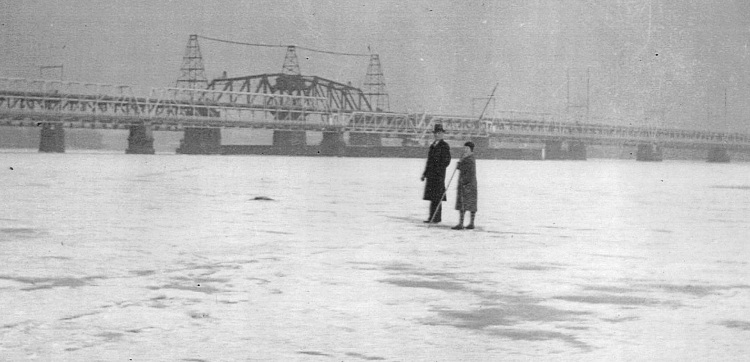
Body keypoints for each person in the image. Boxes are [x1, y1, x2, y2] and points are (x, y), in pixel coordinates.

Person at [421, 124, 451, 223]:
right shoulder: (432, 145)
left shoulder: (445, 146)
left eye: (439, 133)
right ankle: (432, 217)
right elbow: (429, 161)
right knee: (432, 197)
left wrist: (439, 169)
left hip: (438, 176)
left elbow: (447, 160)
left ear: (442, 134)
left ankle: (436, 218)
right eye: (436, 133)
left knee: (437, 197)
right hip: (431, 175)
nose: (437, 135)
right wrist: (424, 174)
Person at [452, 141, 478, 230]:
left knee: (463, 204)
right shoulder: (468, 158)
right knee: (471, 204)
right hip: (470, 184)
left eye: (467, 148)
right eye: (464, 148)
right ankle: (471, 223)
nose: (465, 150)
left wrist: (460, 164)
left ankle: (462, 223)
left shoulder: (469, 159)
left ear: (471, 150)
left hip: (466, 184)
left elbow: (467, 171)